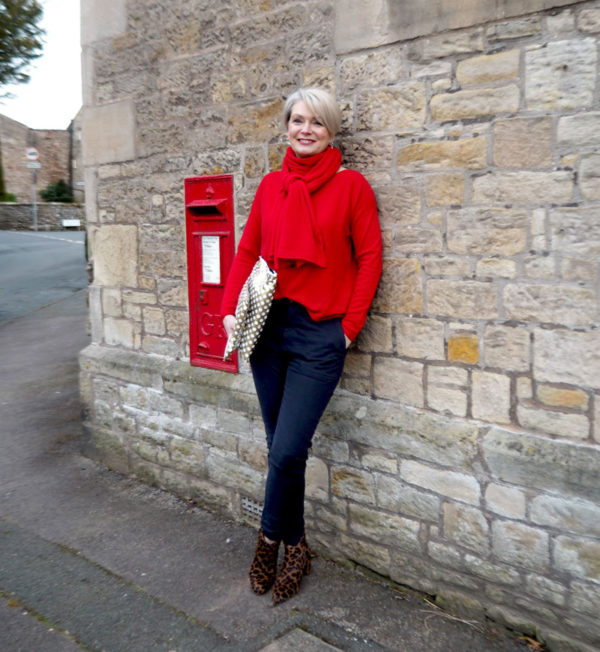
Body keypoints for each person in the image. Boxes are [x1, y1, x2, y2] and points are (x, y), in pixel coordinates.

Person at [221, 87, 382, 604]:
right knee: (280, 452)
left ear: (331, 131)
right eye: (297, 120)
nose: (305, 129)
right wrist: (229, 310)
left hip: (320, 335)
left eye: (316, 122)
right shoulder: (272, 186)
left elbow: (371, 258)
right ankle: (299, 543)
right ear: (287, 126)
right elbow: (247, 250)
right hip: (268, 331)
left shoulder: (351, 186)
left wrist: (348, 329)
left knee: (288, 450)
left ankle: (270, 541)